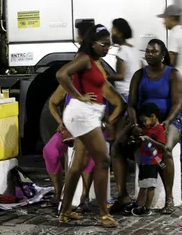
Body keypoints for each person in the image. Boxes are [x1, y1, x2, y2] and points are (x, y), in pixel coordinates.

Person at [56, 24, 126, 227]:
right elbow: (61, 74)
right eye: (104, 45)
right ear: (92, 43)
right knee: (103, 159)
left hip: (90, 114)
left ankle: (66, 211)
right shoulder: (84, 59)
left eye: (109, 45)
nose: (107, 49)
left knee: (77, 165)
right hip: (82, 114)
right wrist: (79, 96)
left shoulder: (95, 61)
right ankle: (103, 214)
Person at [111, 39, 182, 215]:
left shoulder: (173, 74)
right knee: (117, 147)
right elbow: (131, 104)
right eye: (148, 51)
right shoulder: (139, 75)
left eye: (154, 51)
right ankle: (122, 196)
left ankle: (169, 199)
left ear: (163, 54)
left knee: (165, 149)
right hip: (142, 122)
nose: (150, 54)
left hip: (168, 120)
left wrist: (167, 121)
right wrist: (135, 124)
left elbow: (177, 103)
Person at [43, 85, 95, 213]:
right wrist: (60, 121)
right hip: (69, 128)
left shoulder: (95, 83)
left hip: (90, 128)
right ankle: (57, 192)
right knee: (49, 151)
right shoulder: (67, 83)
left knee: (87, 153)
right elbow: (52, 102)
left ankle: (84, 197)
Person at [158, 4, 182, 174]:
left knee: (175, 122)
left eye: (165, 18)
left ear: (172, 18)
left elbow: (172, 61)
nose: (163, 22)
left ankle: (181, 160)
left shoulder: (175, 36)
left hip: (179, 86)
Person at [125, 103, 166, 216]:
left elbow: (163, 146)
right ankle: (138, 204)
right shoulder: (147, 129)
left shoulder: (159, 129)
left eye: (145, 120)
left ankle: (147, 208)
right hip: (144, 161)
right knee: (143, 185)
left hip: (153, 161)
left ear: (153, 117)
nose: (144, 124)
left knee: (150, 186)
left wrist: (149, 140)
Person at [108, 18, 143, 102]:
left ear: (120, 33)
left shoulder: (122, 51)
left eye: (113, 30)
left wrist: (105, 77)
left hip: (124, 93)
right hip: (135, 92)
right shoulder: (134, 49)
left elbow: (121, 75)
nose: (111, 34)